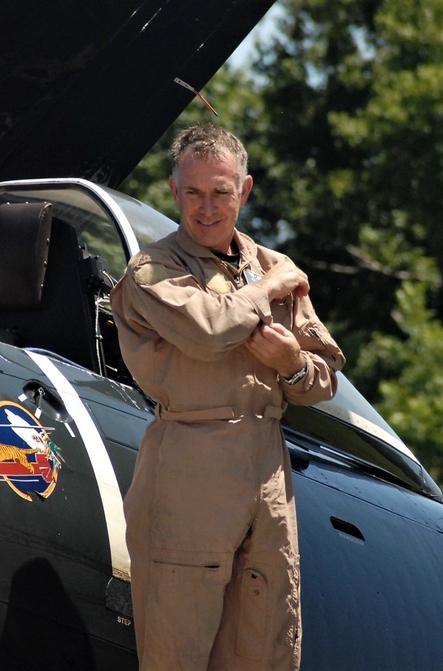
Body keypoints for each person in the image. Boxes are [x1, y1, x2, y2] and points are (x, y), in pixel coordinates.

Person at [110, 124, 345, 670]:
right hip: (191, 459)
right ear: (174, 192)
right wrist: (265, 290)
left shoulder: (271, 265)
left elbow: (325, 375)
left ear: (245, 190)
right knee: (177, 650)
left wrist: (290, 365)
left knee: (266, 645)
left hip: (267, 467)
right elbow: (209, 331)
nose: (207, 207)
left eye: (221, 191)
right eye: (193, 192)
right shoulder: (154, 270)